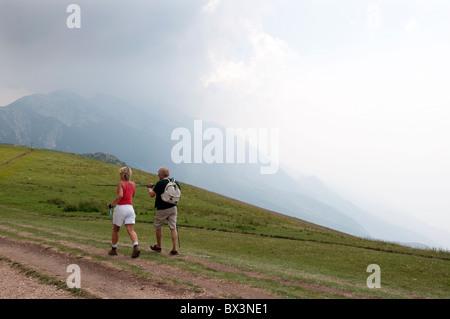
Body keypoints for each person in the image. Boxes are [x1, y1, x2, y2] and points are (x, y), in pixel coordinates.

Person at [107, 166, 140, 258]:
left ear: (123, 175)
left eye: (120, 174)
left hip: (121, 208)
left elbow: (120, 195)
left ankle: (114, 249)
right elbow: (132, 195)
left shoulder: (120, 183)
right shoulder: (133, 184)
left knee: (116, 229)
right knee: (131, 230)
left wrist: (112, 204)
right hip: (130, 208)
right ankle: (136, 246)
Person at [147, 167, 181, 255]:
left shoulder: (160, 183)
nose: (158, 175)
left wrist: (149, 188)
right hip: (173, 208)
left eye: (158, 174)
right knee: (173, 228)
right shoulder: (174, 182)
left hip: (162, 208)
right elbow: (179, 196)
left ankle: (158, 246)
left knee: (158, 227)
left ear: (161, 174)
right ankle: (174, 249)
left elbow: (152, 195)